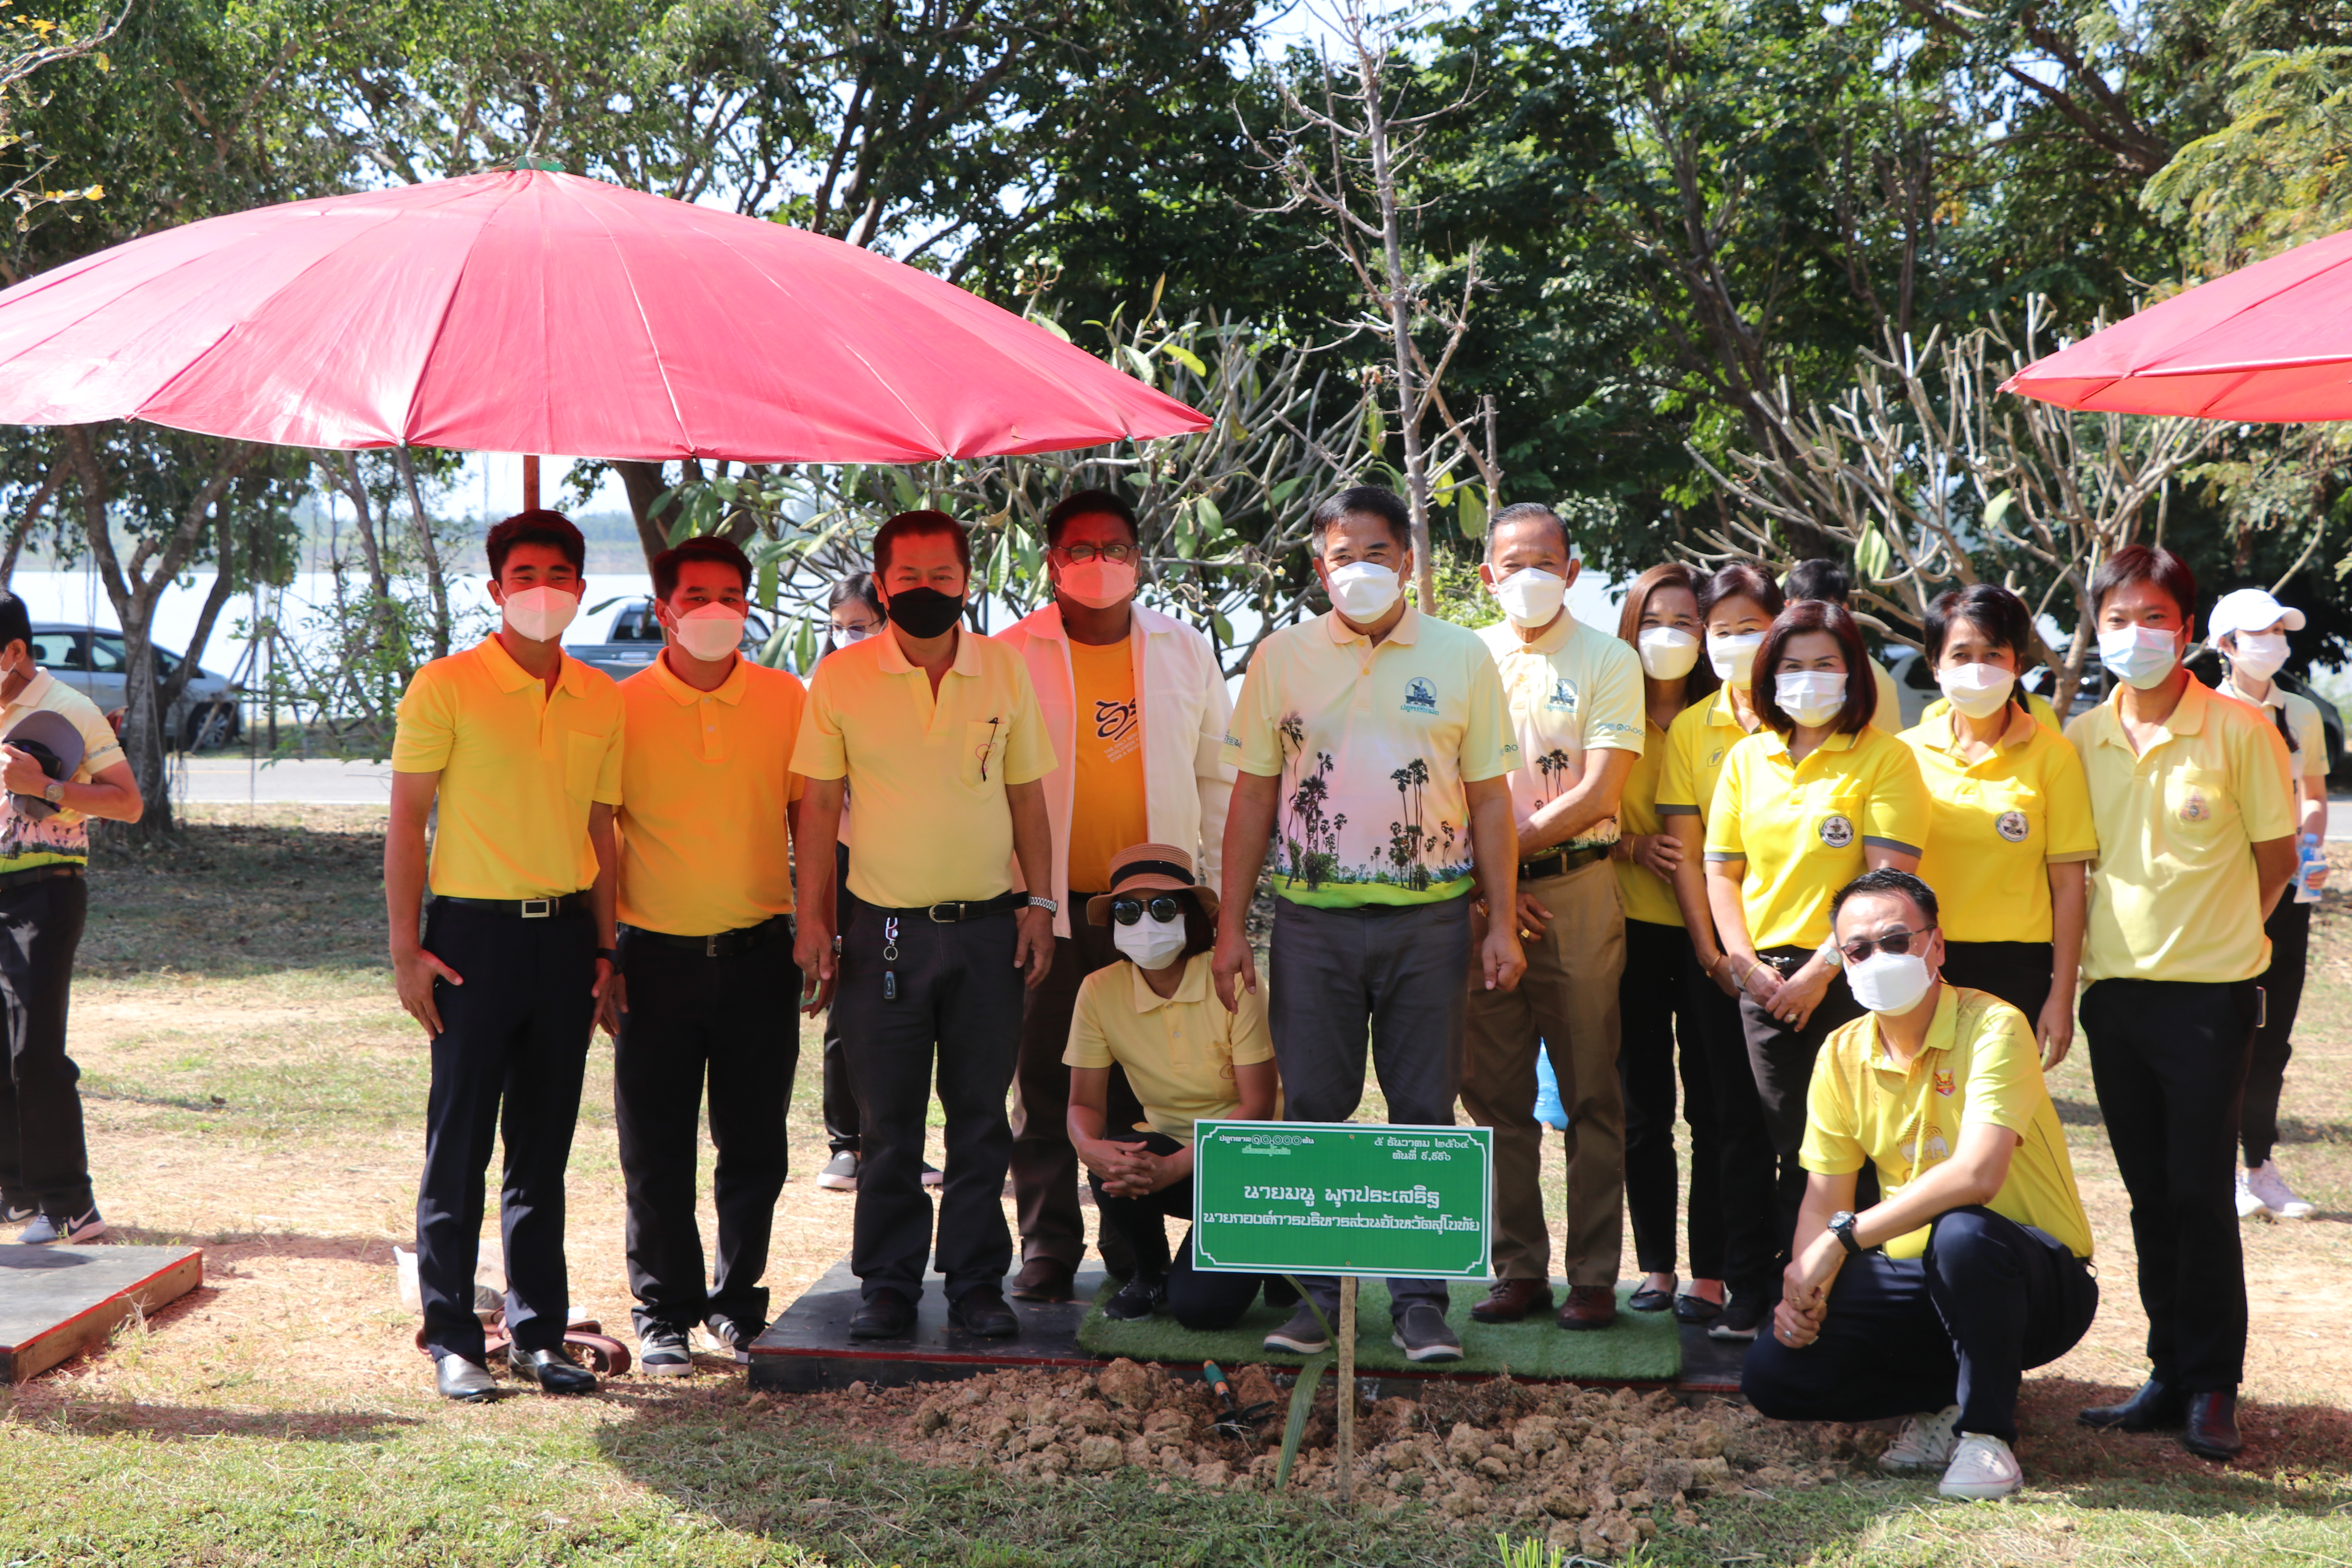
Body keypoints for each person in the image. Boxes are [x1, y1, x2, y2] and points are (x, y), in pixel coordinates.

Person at [1216, 483, 1523, 1365]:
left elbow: (1492, 799)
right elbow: (1253, 796)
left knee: (1424, 1110)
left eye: (1375, 553)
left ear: (1408, 561)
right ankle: (1318, 1300)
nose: (1359, 570)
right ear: (1320, 567)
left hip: (1431, 924)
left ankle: (1421, 1304)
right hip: (1310, 923)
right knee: (1314, 1105)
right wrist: (1232, 925)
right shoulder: (1279, 657)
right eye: (1341, 556)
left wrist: (1500, 920)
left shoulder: (1463, 656)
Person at [1741, 869, 2097, 1503]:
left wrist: (1839, 1243)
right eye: (1858, 950)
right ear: (1843, 963)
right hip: (1921, 1277)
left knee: (1963, 1236)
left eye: (1897, 940)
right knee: (1773, 1374)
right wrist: (1806, 1289)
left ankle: (1987, 1437)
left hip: (2035, 1275)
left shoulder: (1995, 1027)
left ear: (1938, 947)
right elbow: (1824, 1197)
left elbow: (1977, 1176)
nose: (1879, 959)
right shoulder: (1841, 1053)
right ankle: (1940, 1406)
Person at [791, 510, 1058, 1343]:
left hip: (987, 927)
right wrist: (813, 921)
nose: (926, 590)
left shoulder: (1005, 671)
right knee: (889, 1121)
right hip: (884, 933)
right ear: (881, 583)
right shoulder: (842, 678)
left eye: (943, 576)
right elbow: (819, 806)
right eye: (908, 577)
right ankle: (888, 1285)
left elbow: (1028, 800)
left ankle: (978, 1282)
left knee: (980, 1114)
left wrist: (1041, 905)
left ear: (966, 580)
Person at [387, 510, 623, 1401]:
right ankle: (453, 1335)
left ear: (580, 588)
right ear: (495, 589)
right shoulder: (444, 685)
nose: (542, 590)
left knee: (542, 1150)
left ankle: (536, 1331)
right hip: (470, 940)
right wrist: (406, 949)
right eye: (523, 574)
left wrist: (608, 947)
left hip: (566, 939)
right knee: (459, 1146)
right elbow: (408, 823)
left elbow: (603, 829)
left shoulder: (603, 698)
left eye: (558, 573)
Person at [2068, 546, 2296, 1460]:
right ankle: (2167, 1368)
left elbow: (2276, 862)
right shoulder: (2080, 739)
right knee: (2147, 1193)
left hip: (2209, 999)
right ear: (2097, 629)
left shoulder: (2242, 729)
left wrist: (2220, 936)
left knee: (2201, 1193)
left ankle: (2212, 1384)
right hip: (2113, 998)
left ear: (2187, 630)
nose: (2136, 635)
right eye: (2117, 619)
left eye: (2154, 617)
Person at [998, 489, 1234, 1301]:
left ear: (1140, 557)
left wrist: (1220, 898)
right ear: (1051, 562)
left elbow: (1219, 776)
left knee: (1145, 1075)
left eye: (1114, 546)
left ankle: (1129, 1252)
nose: (1098, 563)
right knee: (1043, 1077)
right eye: (1079, 548)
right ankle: (1047, 1246)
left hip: (1160, 904)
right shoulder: (1009, 653)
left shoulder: (1184, 648)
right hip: (1049, 902)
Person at [604, 537, 803, 1375]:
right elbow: (602, 836)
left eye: (731, 595)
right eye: (696, 596)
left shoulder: (789, 698)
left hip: (763, 954)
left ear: (749, 606)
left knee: (755, 1143)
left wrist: (820, 922)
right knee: (656, 1146)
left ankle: (738, 1302)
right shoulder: (619, 706)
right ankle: (663, 1311)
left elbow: (813, 823)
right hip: (653, 958)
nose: (714, 611)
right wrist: (605, 951)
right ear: (664, 610)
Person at [1704, 597, 1931, 1331]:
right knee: (1763, 1140)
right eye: (1792, 667)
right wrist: (1744, 964)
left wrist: (1824, 969)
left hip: (1856, 975)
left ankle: (1843, 1295)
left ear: (1854, 675)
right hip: (1762, 978)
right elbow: (1723, 874)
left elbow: (1887, 884)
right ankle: (1757, 1292)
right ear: (1769, 679)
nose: (1808, 681)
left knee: (1840, 1149)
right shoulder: (1746, 759)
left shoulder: (1885, 758)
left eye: (1825, 665)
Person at [1459, 503, 1643, 1330]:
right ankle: (1518, 1269)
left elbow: (1601, 792)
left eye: (1545, 561)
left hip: (1575, 888)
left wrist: (1503, 860)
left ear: (1572, 572)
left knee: (1591, 1090)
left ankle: (1596, 1275)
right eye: (1510, 563)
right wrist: (1490, 885)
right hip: (1472, 901)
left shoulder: (1610, 658)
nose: (1526, 576)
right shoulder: (1462, 657)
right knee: (1493, 1093)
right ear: (1486, 574)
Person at [1067, 844, 1282, 1327]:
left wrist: (1172, 1168)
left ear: (1193, 917)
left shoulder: (1233, 981)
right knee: (1115, 1157)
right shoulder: (1099, 990)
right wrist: (1088, 1147)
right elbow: (1083, 1102)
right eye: (1128, 909)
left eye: (1163, 907)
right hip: (1169, 1158)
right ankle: (1150, 1273)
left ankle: (1279, 1253)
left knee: (1202, 1311)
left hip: (1254, 1163)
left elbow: (1259, 1106)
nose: (1145, 921)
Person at [1654, 561, 1787, 1339]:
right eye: (1723, 629)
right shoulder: (1693, 727)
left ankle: (1813, 1280)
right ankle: (1744, 1283)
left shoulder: (1817, 722)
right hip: (1724, 964)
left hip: (1811, 962)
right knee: (1731, 1124)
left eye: (1753, 626)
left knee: (1809, 1131)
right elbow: (1689, 849)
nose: (1739, 643)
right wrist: (1713, 955)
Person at [1898, 584, 2096, 1066]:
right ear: (1935, 664)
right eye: (1960, 654)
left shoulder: (2055, 755)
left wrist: (2060, 995)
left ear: (2018, 663)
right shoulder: (1903, 754)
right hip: (1919, 960)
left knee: (1997, 1122)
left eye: (1993, 653)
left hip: (2018, 969)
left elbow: (2070, 886)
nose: (1977, 667)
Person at [0, 590, 142, 1245]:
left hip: (45, 891)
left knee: (35, 1048)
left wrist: (48, 788)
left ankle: (71, 1205)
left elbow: (128, 803)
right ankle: (16, 1196)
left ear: (16, 652)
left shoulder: (69, 709)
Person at [1608, 564, 1728, 1327]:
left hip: (1715, 934)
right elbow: (1575, 798)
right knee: (1642, 1108)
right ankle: (1655, 1266)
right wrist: (1629, 845)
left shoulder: (1730, 716)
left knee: (1715, 1109)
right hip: (1629, 928)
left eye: (1688, 621)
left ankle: (1713, 1275)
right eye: (1656, 619)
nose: (1671, 635)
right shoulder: (1607, 701)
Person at [809, 574, 940, 1197]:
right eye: (838, 626)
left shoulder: (921, 688)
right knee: (850, 996)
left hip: (914, 867)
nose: (847, 637)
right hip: (848, 864)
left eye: (859, 625)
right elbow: (817, 794)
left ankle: (901, 1144)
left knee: (910, 1003)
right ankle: (845, 1142)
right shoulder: (826, 687)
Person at [2208, 586, 2327, 1223]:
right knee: (2227, 1032)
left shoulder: (2301, 714)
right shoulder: (2203, 714)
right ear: (2225, 645)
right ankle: (2220, 1168)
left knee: (2272, 1037)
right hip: (2225, 898)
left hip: (2291, 895)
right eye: (2260, 633)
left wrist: (2309, 841)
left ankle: (2262, 1168)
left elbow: (2312, 793)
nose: (2273, 643)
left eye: (2280, 632)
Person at [1782, 559, 1902, 731]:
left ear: (1844, 611)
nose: (1816, 620)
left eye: (1826, 610)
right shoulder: (1767, 667)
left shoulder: (1873, 677)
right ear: (1787, 608)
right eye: (1805, 610)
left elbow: (1889, 749)